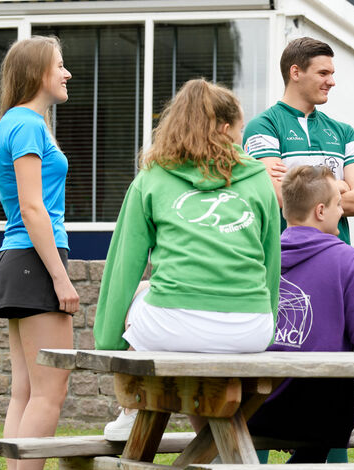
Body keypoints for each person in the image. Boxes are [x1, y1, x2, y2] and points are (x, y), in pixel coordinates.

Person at [94, 78, 281, 440]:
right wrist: (266, 323)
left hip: (171, 323)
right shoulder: (259, 179)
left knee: (145, 289)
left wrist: (110, 343)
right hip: (249, 328)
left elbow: (124, 265)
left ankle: (132, 409)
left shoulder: (151, 178)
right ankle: (211, 443)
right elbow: (270, 263)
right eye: (240, 130)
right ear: (226, 129)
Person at [246, 165, 354, 463]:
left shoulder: (259, 258)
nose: (342, 212)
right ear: (320, 210)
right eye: (338, 204)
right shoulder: (348, 260)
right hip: (319, 412)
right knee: (331, 395)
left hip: (256, 405)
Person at [0, 35, 78, 470]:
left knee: (26, 390)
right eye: (59, 65)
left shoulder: (15, 123)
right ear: (39, 72)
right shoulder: (27, 125)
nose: (67, 73)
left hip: (17, 259)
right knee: (49, 390)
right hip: (33, 261)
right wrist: (60, 277)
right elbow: (32, 206)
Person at [243, 36, 354, 245]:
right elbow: (279, 196)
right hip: (285, 261)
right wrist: (337, 185)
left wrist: (297, 184)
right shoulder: (263, 126)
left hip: (335, 258)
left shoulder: (345, 132)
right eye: (323, 73)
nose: (331, 81)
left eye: (331, 74)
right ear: (295, 72)